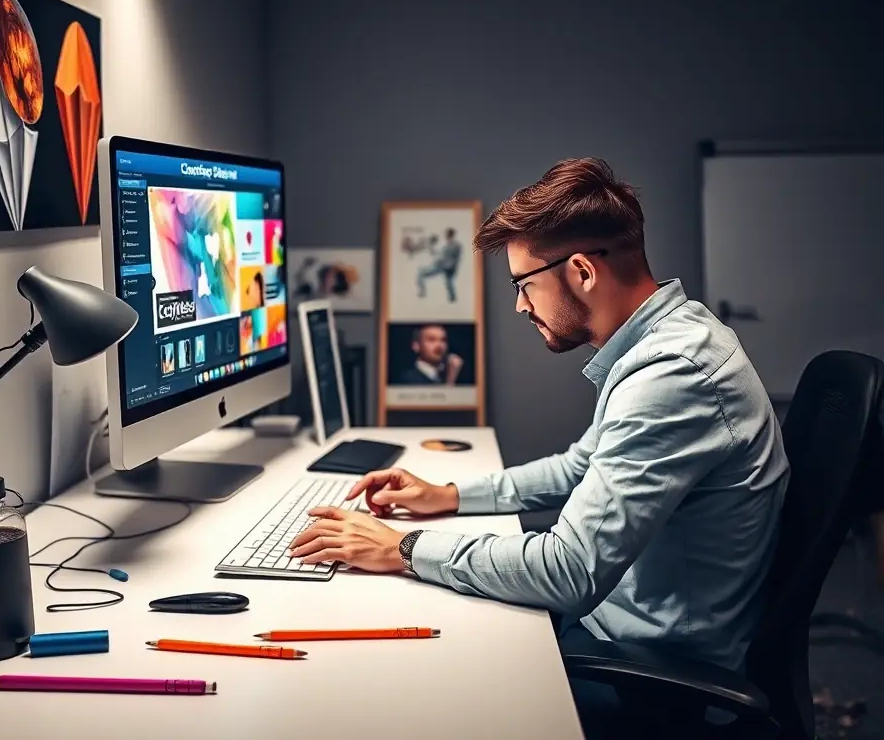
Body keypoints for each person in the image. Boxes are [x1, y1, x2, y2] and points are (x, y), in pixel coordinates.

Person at [288, 157, 790, 738]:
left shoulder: (673, 373)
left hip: (651, 678)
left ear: (580, 271)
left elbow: (568, 570)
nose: (521, 306)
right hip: (619, 632)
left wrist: (402, 547)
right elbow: (583, 466)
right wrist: (446, 496)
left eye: (524, 285)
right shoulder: (672, 336)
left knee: (410, 695)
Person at [397, 324, 464, 385]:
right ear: (416, 346)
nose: (439, 346)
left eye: (443, 340)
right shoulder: (409, 380)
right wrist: (450, 380)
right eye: (431, 340)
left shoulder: (443, 375)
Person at [416, 228, 462, 302]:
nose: (445, 236)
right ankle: (452, 299)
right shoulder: (452, 245)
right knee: (449, 283)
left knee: (421, 273)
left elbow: (445, 258)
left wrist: (435, 255)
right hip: (448, 267)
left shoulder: (452, 246)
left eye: (446, 235)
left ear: (449, 235)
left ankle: (422, 293)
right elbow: (452, 258)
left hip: (442, 266)